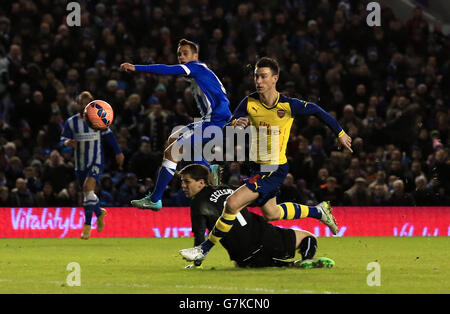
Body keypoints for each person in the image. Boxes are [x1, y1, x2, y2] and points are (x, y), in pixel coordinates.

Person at [180, 57, 353, 263]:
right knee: (271, 213)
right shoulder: (249, 102)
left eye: (263, 76)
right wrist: (236, 124)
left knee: (232, 203)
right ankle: (318, 211)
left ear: (275, 79)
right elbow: (228, 126)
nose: (258, 81)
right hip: (257, 165)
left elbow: (318, 111)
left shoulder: (288, 105)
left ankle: (204, 249)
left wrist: (340, 133)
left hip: (273, 167)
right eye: (256, 76)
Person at [120, 39, 231, 210]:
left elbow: (166, 69)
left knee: (173, 151)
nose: (181, 56)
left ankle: (155, 199)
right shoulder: (201, 71)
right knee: (173, 139)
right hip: (210, 120)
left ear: (195, 56)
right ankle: (210, 170)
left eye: (185, 53)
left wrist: (136, 67)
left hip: (216, 122)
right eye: (179, 53)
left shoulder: (196, 67)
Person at [179, 164, 334, 269]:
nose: (183, 186)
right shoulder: (232, 190)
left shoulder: (197, 205)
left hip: (242, 257)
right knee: (309, 237)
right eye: (182, 182)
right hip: (266, 237)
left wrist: (197, 262)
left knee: (260, 261)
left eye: (187, 182)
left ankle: (287, 265)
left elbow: (199, 237)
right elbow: (259, 202)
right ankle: (305, 259)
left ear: (201, 183)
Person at [60, 91, 124, 239]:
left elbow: (109, 135)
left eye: (86, 102)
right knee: (88, 193)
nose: (83, 105)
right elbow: (62, 138)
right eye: (81, 103)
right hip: (80, 163)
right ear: (78, 104)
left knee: (88, 188)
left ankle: (87, 226)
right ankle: (99, 212)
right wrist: (67, 143)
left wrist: (118, 152)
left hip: (96, 160)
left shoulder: (97, 118)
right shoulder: (72, 122)